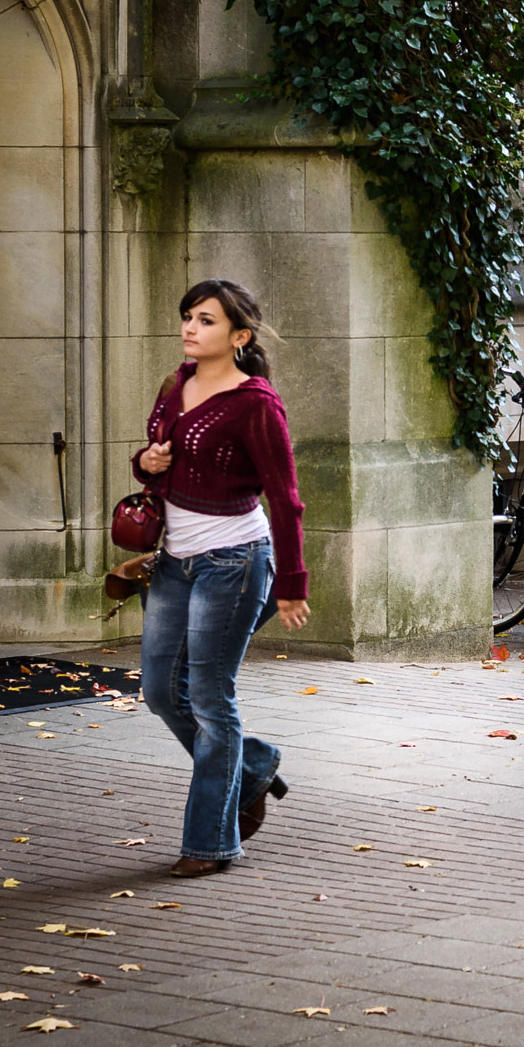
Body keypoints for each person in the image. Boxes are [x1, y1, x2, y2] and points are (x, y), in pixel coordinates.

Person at [133, 279, 309, 876]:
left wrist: (293, 583)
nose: (189, 327)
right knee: (159, 688)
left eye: (205, 320)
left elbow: (285, 499)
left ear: (239, 336)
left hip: (233, 562)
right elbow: (154, 459)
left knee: (210, 698)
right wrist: (147, 461)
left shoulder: (256, 403)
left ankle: (209, 842)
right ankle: (253, 765)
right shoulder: (174, 384)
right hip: (175, 560)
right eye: (187, 316)